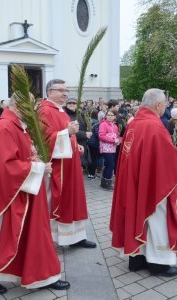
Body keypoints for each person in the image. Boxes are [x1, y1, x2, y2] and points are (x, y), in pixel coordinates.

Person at [0, 95, 70, 294]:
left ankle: (41, 274)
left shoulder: (19, 125)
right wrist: (40, 167)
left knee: (34, 232)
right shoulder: (6, 127)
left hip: (25, 190)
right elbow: (8, 165)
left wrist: (41, 165)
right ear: (18, 106)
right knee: (1, 235)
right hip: (7, 196)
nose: (34, 109)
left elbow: (28, 153)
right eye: (30, 105)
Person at [110, 88, 177, 277]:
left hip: (133, 181)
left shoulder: (135, 122)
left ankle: (137, 259)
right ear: (158, 105)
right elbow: (167, 159)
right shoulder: (154, 126)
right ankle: (159, 264)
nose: (165, 107)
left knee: (136, 215)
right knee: (157, 218)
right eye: (164, 104)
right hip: (152, 184)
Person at [39, 79, 96, 248]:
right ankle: (53, 239)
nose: (65, 93)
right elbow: (44, 139)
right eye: (61, 90)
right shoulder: (44, 111)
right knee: (59, 201)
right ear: (49, 92)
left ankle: (76, 237)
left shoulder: (61, 111)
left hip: (70, 163)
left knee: (74, 199)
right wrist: (67, 133)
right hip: (59, 167)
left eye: (66, 90)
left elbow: (65, 133)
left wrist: (74, 142)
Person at [98, 110, 120, 190]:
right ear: (106, 116)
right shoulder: (103, 124)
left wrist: (117, 141)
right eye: (108, 115)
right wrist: (113, 140)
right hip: (105, 148)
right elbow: (101, 136)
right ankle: (107, 183)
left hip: (112, 148)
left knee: (108, 165)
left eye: (112, 115)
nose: (110, 117)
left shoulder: (115, 126)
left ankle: (104, 183)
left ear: (115, 117)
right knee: (111, 165)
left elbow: (117, 135)